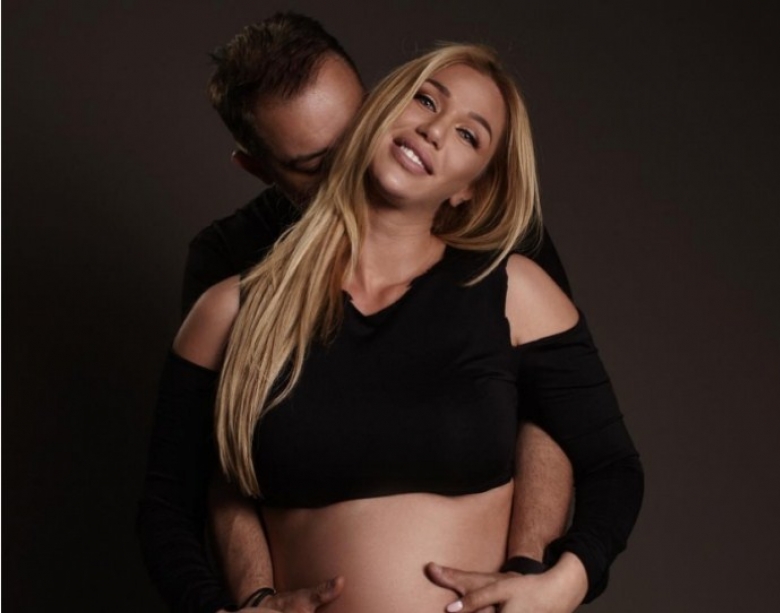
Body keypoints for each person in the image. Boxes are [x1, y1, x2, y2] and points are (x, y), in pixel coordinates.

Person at [175, 43, 643, 613]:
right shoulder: (231, 297)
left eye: (469, 134)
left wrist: (550, 580)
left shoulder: (512, 278)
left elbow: (594, 452)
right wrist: (242, 603)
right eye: (425, 100)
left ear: (471, 187)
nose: (434, 131)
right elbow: (184, 492)